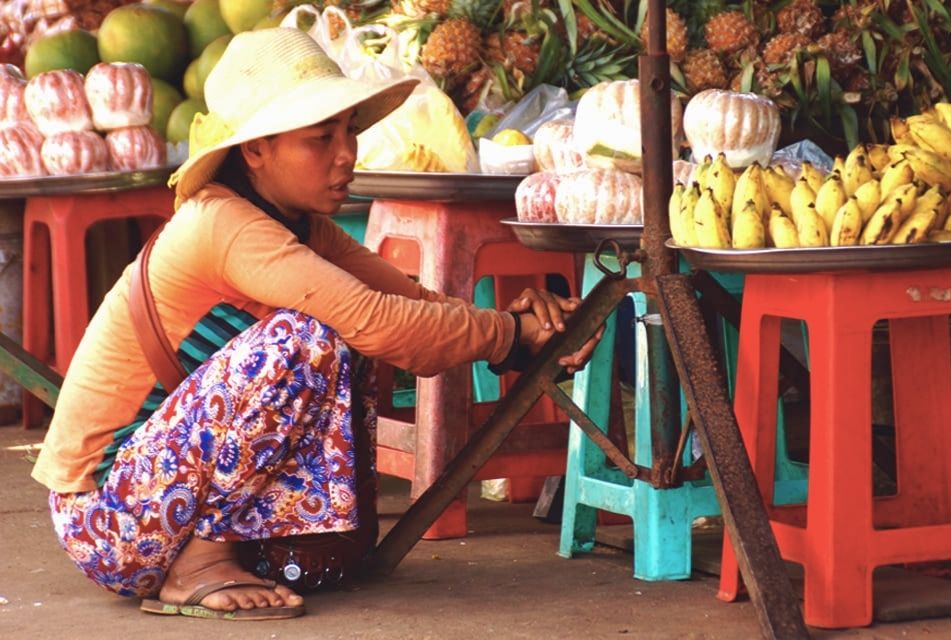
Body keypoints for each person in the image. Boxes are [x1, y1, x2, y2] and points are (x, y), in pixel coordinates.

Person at [31, 28, 601, 621]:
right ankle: (197, 566)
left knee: (337, 340)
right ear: (255, 150)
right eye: (320, 138)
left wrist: (511, 327)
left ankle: (215, 550)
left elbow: (409, 303)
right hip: (106, 519)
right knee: (306, 342)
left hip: (159, 503)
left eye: (349, 131)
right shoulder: (224, 225)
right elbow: (376, 322)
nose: (346, 152)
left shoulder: (298, 226)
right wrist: (509, 336)